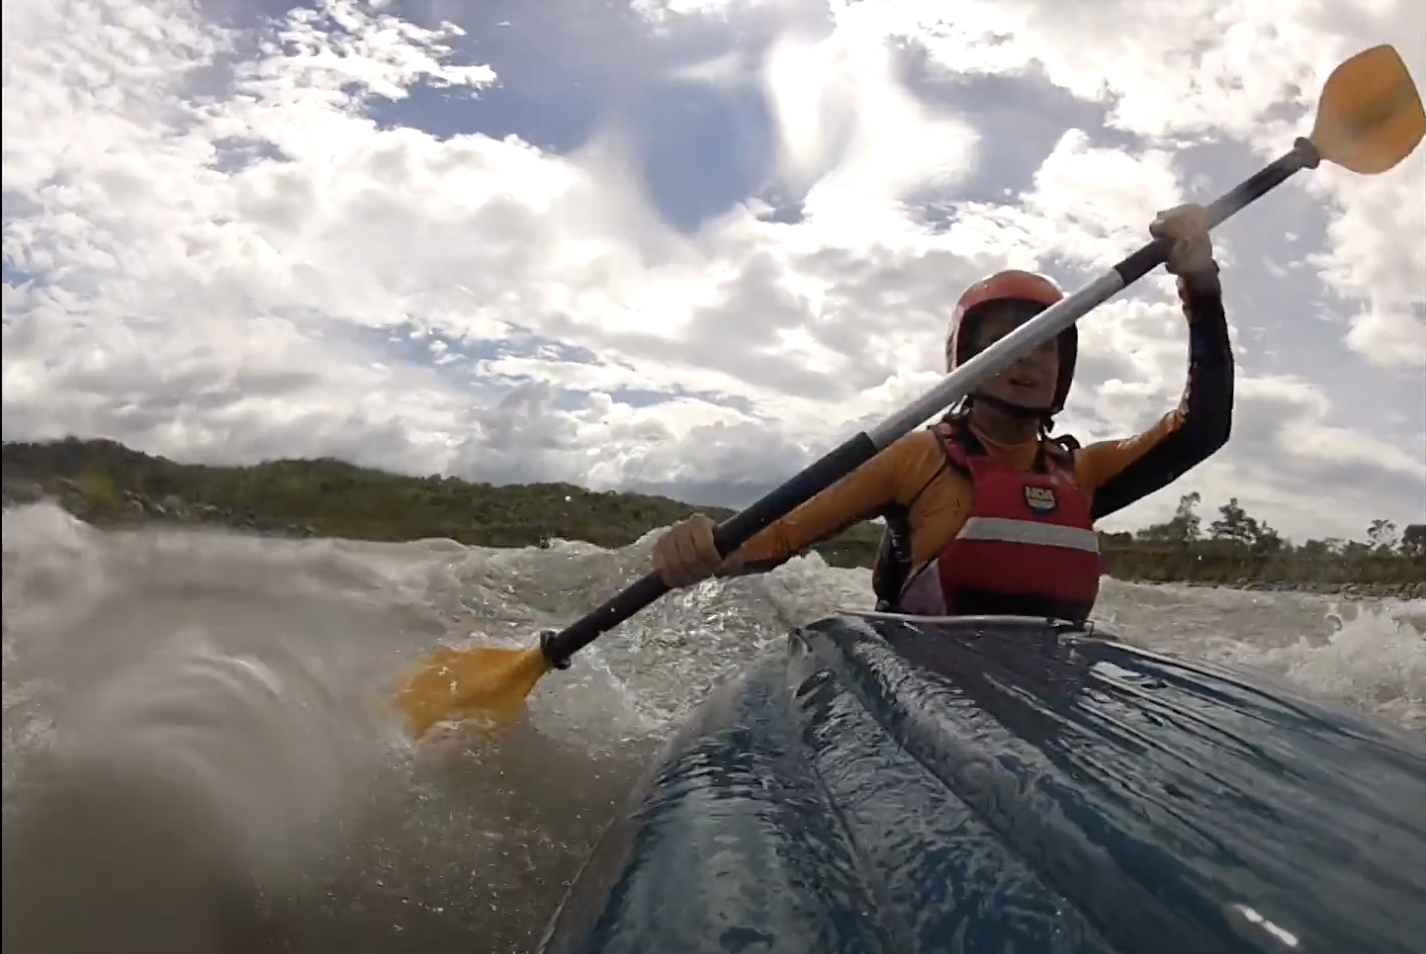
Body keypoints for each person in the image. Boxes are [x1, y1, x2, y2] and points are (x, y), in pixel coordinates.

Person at [651, 204, 1232, 623]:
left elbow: (1201, 429)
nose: (1028, 359)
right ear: (968, 359)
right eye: (1006, 343)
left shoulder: (1083, 472)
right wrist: (708, 547)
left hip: (1053, 698)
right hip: (927, 692)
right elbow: (780, 535)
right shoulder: (918, 458)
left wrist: (1201, 290)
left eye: (1045, 343)